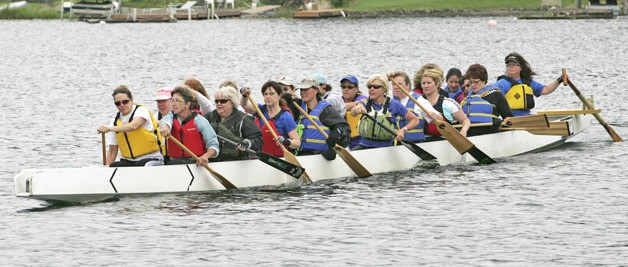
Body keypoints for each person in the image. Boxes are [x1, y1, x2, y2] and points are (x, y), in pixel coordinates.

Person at [284, 77, 351, 160]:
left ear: (316, 90)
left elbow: (345, 130)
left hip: (320, 155)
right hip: (300, 153)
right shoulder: (296, 107)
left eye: (306, 89)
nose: (303, 93)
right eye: (301, 90)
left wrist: (334, 148)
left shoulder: (326, 110)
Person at [97, 85, 165, 167]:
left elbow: (133, 126)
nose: (122, 105)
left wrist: (110, 128)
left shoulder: (141, 111)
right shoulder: (115, 122)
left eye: (125, 102)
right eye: (118, 103)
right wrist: (106, 170)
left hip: (152, 158)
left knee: (141, 165)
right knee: (114, 166)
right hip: (129, 161)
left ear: (131, 100)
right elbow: (112, 150)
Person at [350, 74, 419, 150]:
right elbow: (353, 113)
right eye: (370, 86)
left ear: (384, 89)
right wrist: (357, 109)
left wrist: (403, 130)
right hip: (365, 145)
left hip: (386, 147)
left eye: (376, 87)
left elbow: (415, 120)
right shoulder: (364, 102)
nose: (371, 89)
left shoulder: (394, 104)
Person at [159, 85, 220, 166]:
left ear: (187, 104)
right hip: (175, 163)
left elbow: (214, 145)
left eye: (177, 101)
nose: (173, 104)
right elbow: (165, 122)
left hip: (196, 163)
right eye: (172, 101)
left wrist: (206, 156)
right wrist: (164, 126)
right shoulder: (170, 117)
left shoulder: (200, 121)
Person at [240, 81, 301, 157]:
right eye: (265, 94)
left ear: (279, 95)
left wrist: (286, 141)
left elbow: (297, 143)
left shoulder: (286, 117)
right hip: (259, 158)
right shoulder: (260, 110)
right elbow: (244, 105)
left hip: (279, 158)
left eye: (271, 94)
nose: (268, 97)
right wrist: (244, 96)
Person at [493, 52, 565, 116]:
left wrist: (559, 80)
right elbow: (494, 99)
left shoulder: (528, 82)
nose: (510, 67)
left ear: (520, 67)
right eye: (508, 65)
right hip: (510, 118)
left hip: (527, 117)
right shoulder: (501, 84)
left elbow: (546, 90)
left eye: (514, 64)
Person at [204, 86, 263, 162]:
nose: (218, 104)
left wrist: (247, 143)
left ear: (232, 103)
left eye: (223, 101)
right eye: (216, 101)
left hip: (237, 162)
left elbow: (258, 140)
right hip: (212, 162)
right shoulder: (208, 117)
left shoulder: (244, 119)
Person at [415, 69, 471, 138]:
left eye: (429, 83)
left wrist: (463, 131)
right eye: (423, 83)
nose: (426, 86)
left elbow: (466, 120)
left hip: (444, 139)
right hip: (424, 140)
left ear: (437, 84)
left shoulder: (447, 103)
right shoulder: (418, 102)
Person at [461, 64, 514, 136]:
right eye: (470, 82)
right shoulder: (467, 98)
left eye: (476, 82)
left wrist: (504, 122)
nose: (473, 85)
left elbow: (508, 117)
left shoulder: (496, 95)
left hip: (490, 133)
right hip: (469, 134)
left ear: (484, 80)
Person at [390, 71, 426, 142]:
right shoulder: (389, 97)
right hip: (393, 142)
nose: (395, 87)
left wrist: (433, 115)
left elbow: (438, 117)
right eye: (393, 84)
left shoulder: (418, 100)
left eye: (399, 84)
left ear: (408, 85)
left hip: (414, 143)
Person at [340, 75, 367, 149]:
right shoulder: (339, 99)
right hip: (343, 137)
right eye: (343, 87)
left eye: (350, 87)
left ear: (356, 88)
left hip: (359, 139)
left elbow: (356, 104)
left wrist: (339, 106)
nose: (346, 89)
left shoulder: (362, 98)